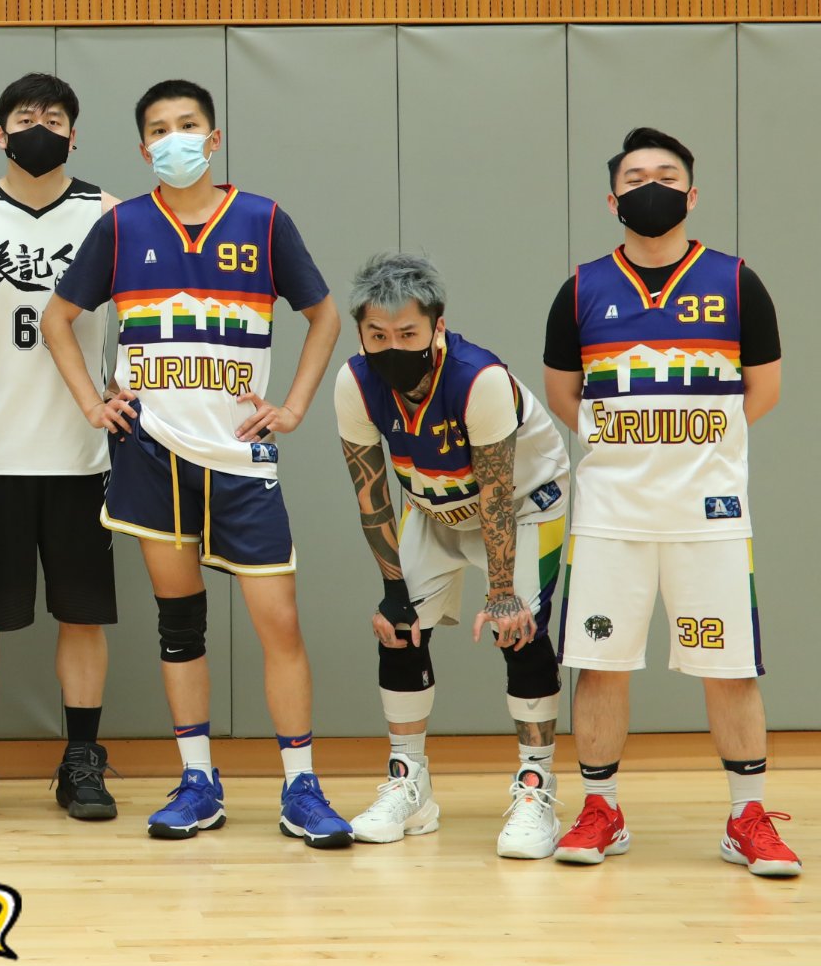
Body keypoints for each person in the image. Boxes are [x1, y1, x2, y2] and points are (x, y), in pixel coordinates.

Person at [43, 78, 351, 848]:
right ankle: (197, 779)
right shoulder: (121, 226)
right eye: (159, 128)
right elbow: (58, 318)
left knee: (280, 621)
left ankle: (302, 786)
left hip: (241, 456)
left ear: (212, 139)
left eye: (187, 124)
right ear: (144, 146)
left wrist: (294, 405)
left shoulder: (263, 219)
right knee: (179, 622)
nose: (173, 137)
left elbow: (324, 314)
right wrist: (92, 402)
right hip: (153, 452)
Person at [545, 127, 798, 876]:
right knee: (600, 664)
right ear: (612, 199)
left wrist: (695, 448)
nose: (649, 186)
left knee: (731, 667)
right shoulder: (582, 288)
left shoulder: (737, 281)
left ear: (691, 195)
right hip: (610, 515)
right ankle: (602, 810)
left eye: (665, 175)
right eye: (634, 177)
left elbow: (765, 389)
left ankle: (747, 817)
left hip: (708, 512)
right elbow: (564, 394)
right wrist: (632, 447)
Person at [333, 252, 572, 856]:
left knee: (520, 628)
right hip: (434, 506)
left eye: (407, 333)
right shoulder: (354, 383)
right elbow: (371, 495)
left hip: (520, 505)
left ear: (437, 327)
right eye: (377, 335)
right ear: (361, 333)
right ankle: (410, 783)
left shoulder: (478, 379)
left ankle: (536, 787)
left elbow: (495, 494)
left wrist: (502, 593)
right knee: (398, 628)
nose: (392, 347)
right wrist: (393, 592)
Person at [0, 73, 120, 821]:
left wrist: (125, 386)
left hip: (83, 449)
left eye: (54, 118)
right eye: (24, 118)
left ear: (74, 134)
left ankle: (81, 759)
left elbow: (140, 313)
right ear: (0, 134)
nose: (39, 128)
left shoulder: (109, 214)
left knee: (83, 615)